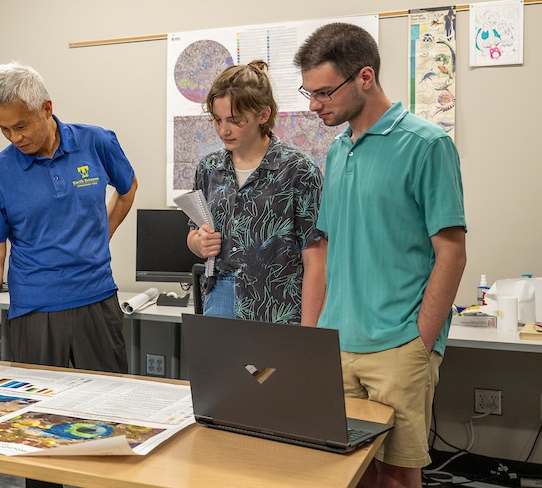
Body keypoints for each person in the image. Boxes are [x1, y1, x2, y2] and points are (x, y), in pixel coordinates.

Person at [295, 23, 467, 488]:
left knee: (396, 477)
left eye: (324, 92)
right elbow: (326, 248)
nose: (314, 105)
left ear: (365, 77)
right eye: (309, 93)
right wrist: (313, 339)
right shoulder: (337, 152)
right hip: (337, 343)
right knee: (347, 473)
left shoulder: (427, 145)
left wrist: (420, 342)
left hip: (397, 345)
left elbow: (451, 253)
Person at [0, 62, 137, 488]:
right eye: (3, 129)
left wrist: (100, 237)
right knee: (41, 431)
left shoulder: (96, 142)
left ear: (47, 108)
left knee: (108, 422)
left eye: (20, 126)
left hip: (97, 301)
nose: (13, 137)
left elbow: (127, 190)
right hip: (34, 312)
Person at [185, 60, 327, 325]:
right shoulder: (208, 168)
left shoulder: (298, 170)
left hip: (278, 305)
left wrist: (309, 333)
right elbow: (194, 232)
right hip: (220, 297)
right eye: (217, 120)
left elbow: (317, 259)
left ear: (263, 115)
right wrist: (198, 243)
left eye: (235, 120)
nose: (224, 130)